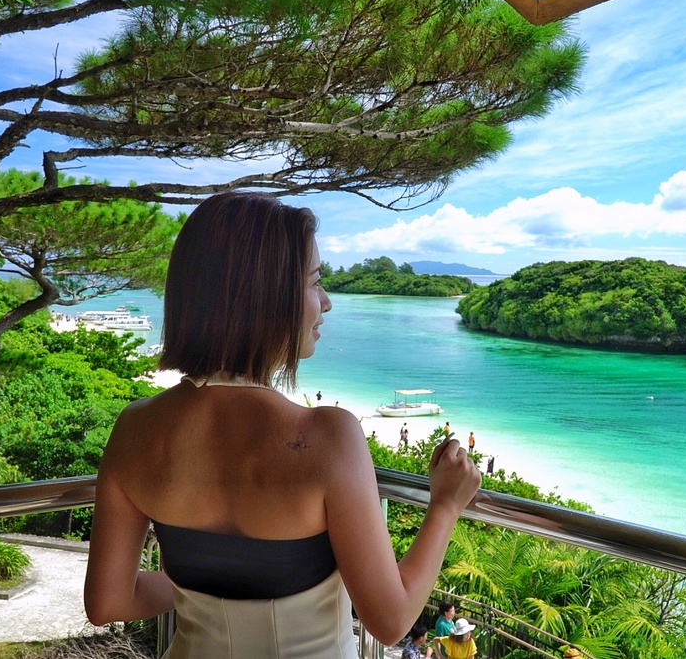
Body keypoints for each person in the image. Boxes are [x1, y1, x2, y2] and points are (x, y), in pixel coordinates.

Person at [83, 191, 482, 659]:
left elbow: (108, 602)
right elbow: (391, 620)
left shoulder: (136, 427)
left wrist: (206, 588)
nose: (326, 302)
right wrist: (445, 505)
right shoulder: (328, 436)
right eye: (315, 282)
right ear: (266, 296)